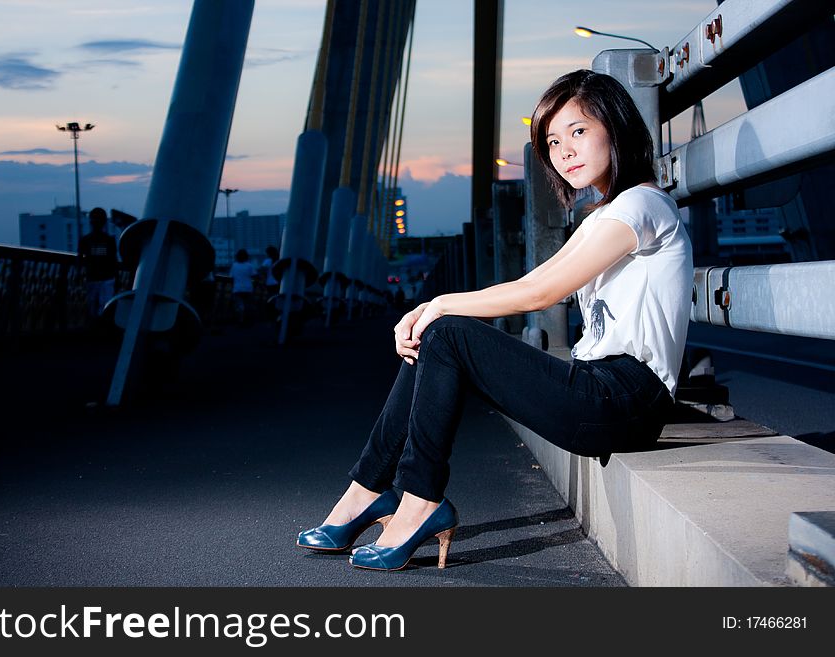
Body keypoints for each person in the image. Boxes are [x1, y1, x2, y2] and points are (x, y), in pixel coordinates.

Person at [297, 69, 693, 571]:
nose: (564, 151)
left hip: (624, 398)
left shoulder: (641, 205)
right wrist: (429, 309)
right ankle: (366, 491)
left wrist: (438, 304)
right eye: (552, 140)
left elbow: (541, 293)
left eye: (578, 131)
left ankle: (417, 500)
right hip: (599, 390)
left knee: (448, 332)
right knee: (439, 335)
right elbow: (531, 280)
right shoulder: (601, 216)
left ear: (615, 128)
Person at [77, 207, 118, 320]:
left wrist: (79, 275)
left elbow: (80, 260)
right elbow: (113, 260)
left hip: (94, 279)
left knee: (94, 310)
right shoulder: (109, 240)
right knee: (104, 309)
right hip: (106, 279)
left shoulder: (85, 240)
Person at [229, 248, 256, 325]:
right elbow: (255, 275)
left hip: (237, 288)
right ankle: (248, 321)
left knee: (239, 305)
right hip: (248, 288)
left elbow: (231, 277)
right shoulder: (250, 265)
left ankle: (240, 320)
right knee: (248, 305)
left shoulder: (234, 265)